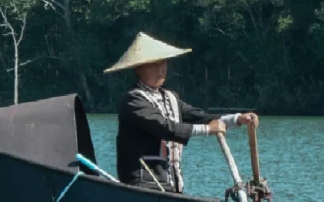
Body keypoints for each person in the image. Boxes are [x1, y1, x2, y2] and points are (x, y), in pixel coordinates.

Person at [105, 31, 258, 191]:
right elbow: (165, 127)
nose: (160, 70)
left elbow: (200, 117)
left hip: (171, 186)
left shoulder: (171, 98)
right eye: (153, 64)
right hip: (143, 185)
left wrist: (238, 118)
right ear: (138, 69)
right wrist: (208, 130)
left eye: (162, 63)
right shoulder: (133, 100)